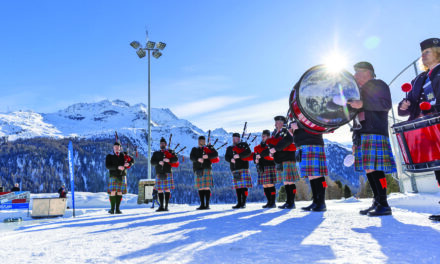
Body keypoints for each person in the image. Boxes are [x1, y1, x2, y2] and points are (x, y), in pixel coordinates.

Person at [398, 38, 440, 220]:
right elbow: (406, 104)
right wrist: (404, 105)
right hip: (427, 127)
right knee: (439, 168)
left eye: (427, 52)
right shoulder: (418, 79)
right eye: (422, 53)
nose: (422, 56)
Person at [348, 61, 396, 216]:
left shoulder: (378, 85)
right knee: (369, 168)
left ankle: (384, 204)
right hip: (361, 133)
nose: (354, 76)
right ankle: (377, 201)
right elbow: (354, 115)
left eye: (357, 72)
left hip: (375, 130)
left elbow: (385, 104)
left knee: (376, 168)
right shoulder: (357, 91)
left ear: (368, 72)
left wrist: (362, 103)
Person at [290, 118, 328, 212]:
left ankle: (321, 203)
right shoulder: (298, 114)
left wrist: (299, 125)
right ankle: (315, 201)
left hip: (313, 143)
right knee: (311, 175)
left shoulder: (311, 109)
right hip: (303, 145)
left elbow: (319, 122)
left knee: (317, 174)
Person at [268, 116, 300, 209]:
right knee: (286, 181)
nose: (275, 124)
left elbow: (289, 140)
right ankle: (288, 201)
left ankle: (292, 202)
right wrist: (271, 151)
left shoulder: (285, 131)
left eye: (277, 122)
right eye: (275, 122)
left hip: (288, 157)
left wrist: (276, 148)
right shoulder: (275, 132)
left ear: (282, 122)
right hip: (280, 159)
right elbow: (271, 143)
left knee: (289, 181)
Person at [190, 135, 219, 210]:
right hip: (198, 169)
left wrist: (208, 156)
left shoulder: (208, 148)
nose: (201, 142)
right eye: (200, 141)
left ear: (205, 141)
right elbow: (191, 157)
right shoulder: (194, 149)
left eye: (202, 141)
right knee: (200, 187)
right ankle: (202, 205)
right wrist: (197, 159)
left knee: (206, 187)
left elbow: (215, 154)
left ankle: (207, 205)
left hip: (206, 168)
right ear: (198, 141)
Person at [225, 133, 253, 209]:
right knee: (238, 188)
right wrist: (231, 159)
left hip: (243, 168)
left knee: (244, 187)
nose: (234, 139)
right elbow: (226, 157)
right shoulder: (230, 148)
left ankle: (243, 202)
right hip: (235, 169)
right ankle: (239, 203)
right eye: (233, 138)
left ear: (239, 138)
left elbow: (248, 153)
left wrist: (239, 156)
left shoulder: (244, 145)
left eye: (236, 138)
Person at [106, 142, 134, 214]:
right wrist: (117, 167)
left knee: (119, 192)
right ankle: (112, 209)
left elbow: (132, 160)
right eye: (115, 147)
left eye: (118, 147)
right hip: (113, 175)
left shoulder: (123, 155)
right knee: (112, 192)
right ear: (113, 148)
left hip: (122, 175)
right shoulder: (109, 156)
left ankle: (117, 209)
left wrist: (128, 164)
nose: (116, 148)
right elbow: (108, 166)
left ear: (120, 148)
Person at [151, 137, 178, 212]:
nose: (162, 145)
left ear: (166, 144)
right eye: (161, 143)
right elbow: (152, 162)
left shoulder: (170, 152)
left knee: (167, 189)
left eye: (163, 143)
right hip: (159, 172)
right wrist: (158, 162)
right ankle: (161, 206)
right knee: (159, 190)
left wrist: (169, 160)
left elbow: (175, 159)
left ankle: (166, 206)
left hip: (167, 172)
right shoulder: (156, 153)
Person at [254, 130, 278, 208]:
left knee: (270, 184)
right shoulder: (258, 146)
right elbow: (255, 155)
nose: (262, 137)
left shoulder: (271, 145)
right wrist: (256, 159)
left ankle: (273, 202)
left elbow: (271, 155)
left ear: (268, 136)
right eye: (262, 136)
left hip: (270, 165)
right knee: (265, 185)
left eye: (264, 136)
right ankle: (268, 202)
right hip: (262, 167)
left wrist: (261, 155)